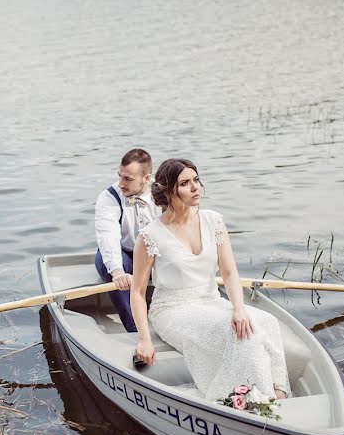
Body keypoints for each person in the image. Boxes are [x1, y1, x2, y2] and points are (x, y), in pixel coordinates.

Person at [129, 158, 291, 402]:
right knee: (239, 334)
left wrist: (238, 308)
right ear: (168, 190)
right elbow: (138, 292)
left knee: (265, 321)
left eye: (196, 180)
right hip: (173, 310)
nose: (195, 187)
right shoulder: (150, 236)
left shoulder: (212, 220)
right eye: (185, 183)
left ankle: (277, 392)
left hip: (211, 300)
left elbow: (229, 272)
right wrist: (144, 339)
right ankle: (253, 401)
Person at [94, 148, 160, 332]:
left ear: (147, 178)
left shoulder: (162, 193)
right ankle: (136, 330)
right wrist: (117, 272)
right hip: (124, 254)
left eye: (128, 179)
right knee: (114, 267)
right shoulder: (109, 197)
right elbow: (108, 236)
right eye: (120, 176)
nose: (121, 184)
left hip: (155, 252)